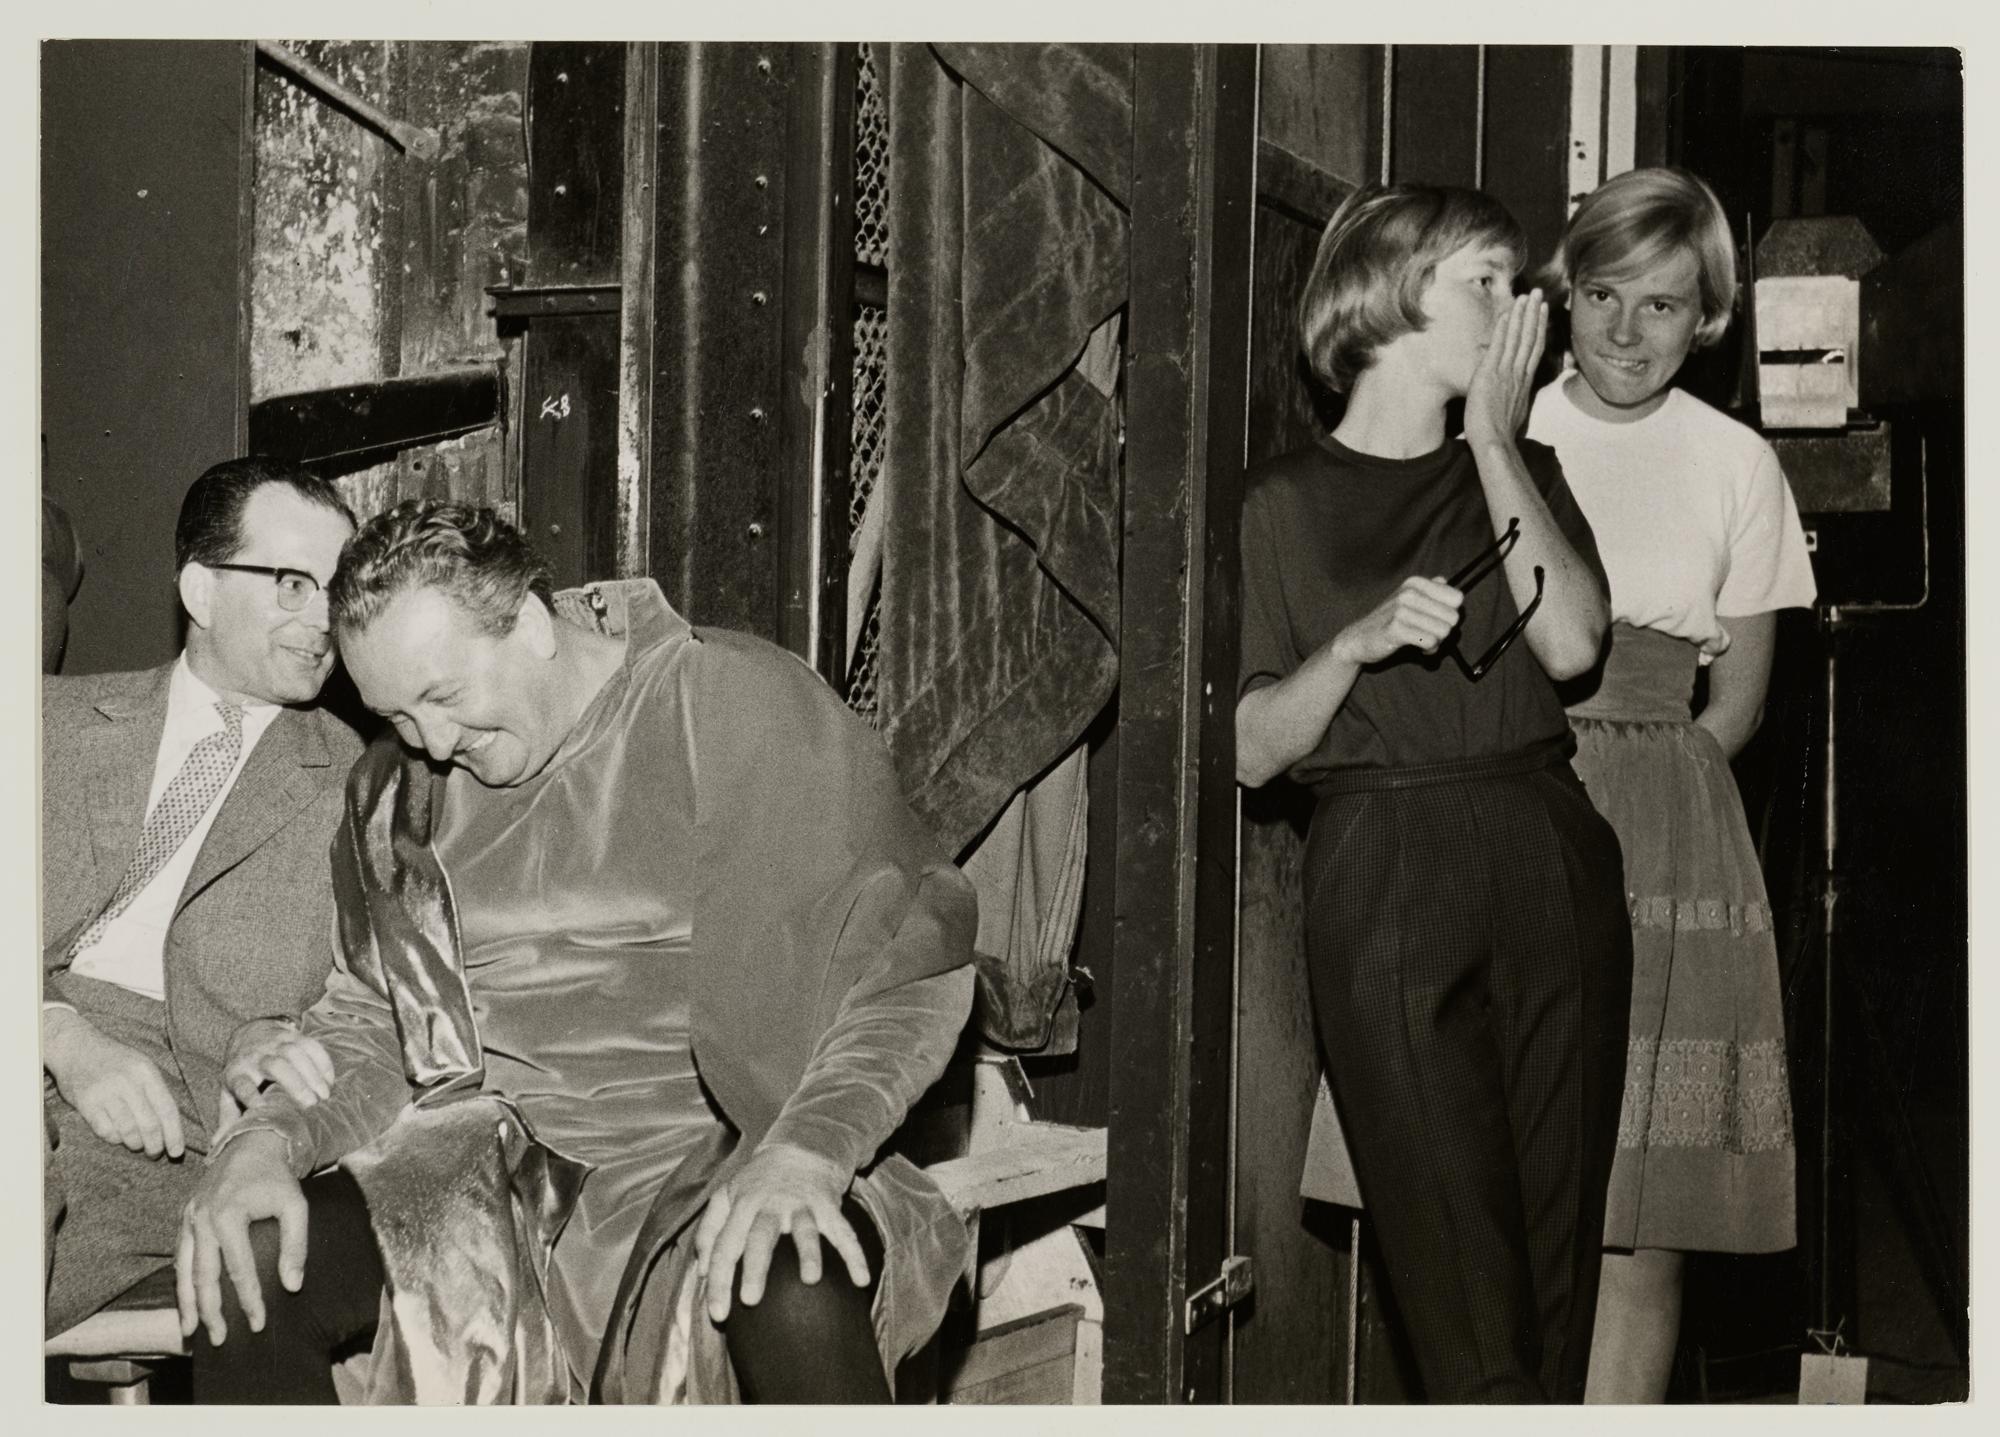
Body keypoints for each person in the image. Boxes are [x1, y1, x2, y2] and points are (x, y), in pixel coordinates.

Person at [176, 501, 978, 1404]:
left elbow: (904, 974)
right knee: (247, 1254)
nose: (433, 743)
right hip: (488, 1184)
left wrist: (809, 1152)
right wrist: (264, 1139)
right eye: (396, 715)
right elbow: (373, 1024)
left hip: (725, 1149)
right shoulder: (396, 798)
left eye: (444, 696)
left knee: (790, 1277)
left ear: (529, 620)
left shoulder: (730, 706)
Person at [1235, 183, 1631, 1402]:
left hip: (1545, 845)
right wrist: (1348, 650)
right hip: (1387, 865)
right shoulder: (1277, 504)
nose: (1519, 312)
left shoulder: (1523, 469)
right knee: (1459, 1295)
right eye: (1485, 283)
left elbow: (1571, 645)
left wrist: (1494, 445)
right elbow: (1249, 751)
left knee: (1555, 1293)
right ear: (1394, 288)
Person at [1526, 166, 1814, 1404]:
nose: (1626, 332)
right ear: (1564, 294)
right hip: (1509, 792)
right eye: (1603, 295)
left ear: (1707, 319)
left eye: (1661, 305)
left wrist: (1647, 808)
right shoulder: (1505, 433)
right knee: (1496, 1183)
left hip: (1666, 830)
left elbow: (1734, 705)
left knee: (1640, 1224)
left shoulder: (1735, 461)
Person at [43, 458, 362, 1338]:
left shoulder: (362, 784)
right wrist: (57, 1033)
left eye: (338, 588)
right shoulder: (45, 722)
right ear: (201, 590)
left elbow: (371, 1002)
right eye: (291, 582)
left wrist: (271, 1035)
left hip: (164, 1123)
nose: (323, 618)